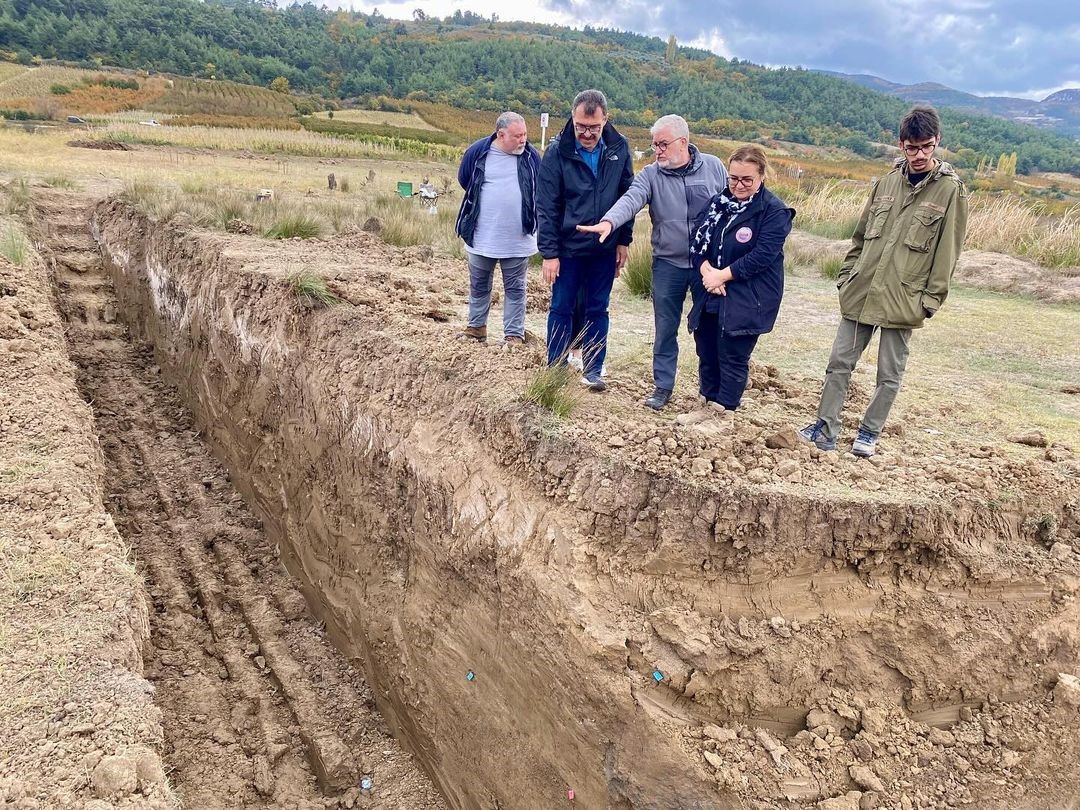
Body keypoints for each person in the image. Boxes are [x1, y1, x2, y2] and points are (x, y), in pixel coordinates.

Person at [799, 105, 969, 457]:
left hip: (905, 298)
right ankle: (825, 429)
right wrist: (847, 276)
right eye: (912, 147)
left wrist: (930, 301)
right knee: (838, 363)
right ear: (900, 144)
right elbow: (860, 237)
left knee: (889, 373)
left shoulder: (951, 191)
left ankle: (869, 433)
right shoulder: (886, 182)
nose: (920, 155)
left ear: (937, 143)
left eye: (927, 146)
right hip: (861, 291)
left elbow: (948, 252)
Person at [576, 114, 728, 409]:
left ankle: (712, 392)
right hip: (668, 264)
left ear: (683, 143)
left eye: (662, 144)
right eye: (654, 145)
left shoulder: (714, 167)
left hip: (706, 266)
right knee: (665, 327)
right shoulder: (650, 174)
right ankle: (663, 387)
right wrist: (609, 222)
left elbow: (729, 206)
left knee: (709, 328)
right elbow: (631, 200)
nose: (656, 150)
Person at [537, 89, 634, 391]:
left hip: (605, 249)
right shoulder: (557, 151)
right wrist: (550, 253)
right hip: (567, 249)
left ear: (605, 119)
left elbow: (627, 198)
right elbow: (547, 205)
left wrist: (623, 241)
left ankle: (593, 369)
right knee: (561, 307)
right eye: (581, 126)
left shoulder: (619, 148)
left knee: (597, 308)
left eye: (593, 127)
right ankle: (555, 366)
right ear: (573, 119)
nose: (587, 133)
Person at [687, 144, 794, 413]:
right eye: (733, 178)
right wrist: (707, 273)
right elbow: (697, 243)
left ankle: (724, 412)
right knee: (707, 350)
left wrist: (722, 275)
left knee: (732, 356)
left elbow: (762, 255)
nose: (739, 185)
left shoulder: (773, 212)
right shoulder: (717, 205)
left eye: (747, 179)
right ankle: (706, 404)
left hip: (748, 297)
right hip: (710, 291)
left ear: (761, 178)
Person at [455, 111, 542, 345]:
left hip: (518, 238)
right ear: (500, 134)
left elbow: (541, 185)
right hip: (481, 235)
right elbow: (465, 180)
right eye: (517, 136)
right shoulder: (478, 151)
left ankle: (513, 334)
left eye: (525, 134)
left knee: (515, 287)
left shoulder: (531, 155)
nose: (523, 139)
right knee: (479, 284)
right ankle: (476, 327)